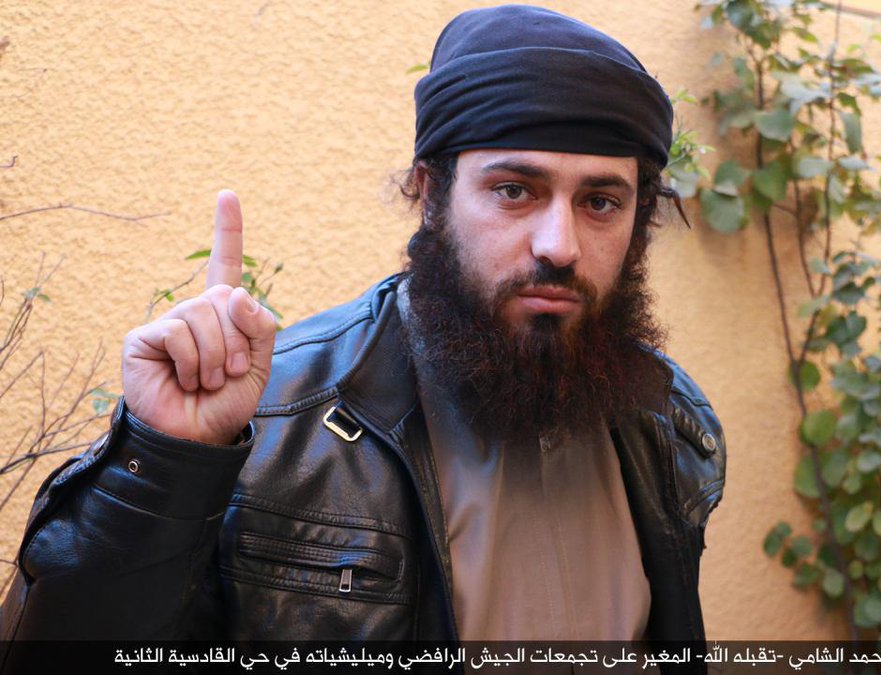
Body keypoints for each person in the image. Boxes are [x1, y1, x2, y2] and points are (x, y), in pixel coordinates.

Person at [0, 2, 725, 660]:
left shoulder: (669, 421)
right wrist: (168, 466)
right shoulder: (268, 425)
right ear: (431, 194)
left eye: (600, 202)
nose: (558, 246)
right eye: (514, 190)